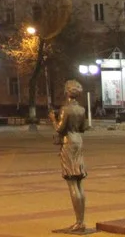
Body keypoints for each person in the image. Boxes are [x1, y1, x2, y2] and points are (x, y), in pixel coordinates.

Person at [52, 80, 89, 233]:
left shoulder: (65, 109)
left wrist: (53, 119)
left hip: (68, 143)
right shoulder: (81, 109)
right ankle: (81, 221)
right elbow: (83, 128)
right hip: (78, 142)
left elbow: (60, 129)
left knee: (72, 183)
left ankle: (79, 222)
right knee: (79, 182)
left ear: (67, 92)